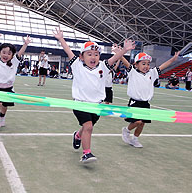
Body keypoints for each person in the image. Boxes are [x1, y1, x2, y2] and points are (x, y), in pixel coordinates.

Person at [54, 26, 135, 163]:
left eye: (96, 54)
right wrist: (61, 39)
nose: (93, 57)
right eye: (89, 54)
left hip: (97, 106)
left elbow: (114, 58)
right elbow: (68, 51)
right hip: (80, 103)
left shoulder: (103, 66)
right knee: (89, 127)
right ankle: (86, 153)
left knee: (87, 127)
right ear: (81, 56)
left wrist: (125, 50)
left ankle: (77, 136)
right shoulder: (77, 65)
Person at [115, 48, 180, 148]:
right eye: (143, 63)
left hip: (145, 103)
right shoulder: (132, 72)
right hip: (134, 102)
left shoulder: (152, 73)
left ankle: (135, 139)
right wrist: (119, 53)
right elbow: (125, 61)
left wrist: (173, 59)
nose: (146, 66)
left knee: (142, 123)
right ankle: (126, 130)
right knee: (137, 121)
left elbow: (163, 66)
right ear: (136, 64)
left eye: (148, 64)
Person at [0, 34, 31, 128]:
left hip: (8, 88)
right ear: (0, 53)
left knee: (5, 105)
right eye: (4, 52)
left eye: (9, 53)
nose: (6, 55)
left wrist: (25, 44)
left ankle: (2, 118)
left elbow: (20, 53)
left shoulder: (14, 62)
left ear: (12, 55)